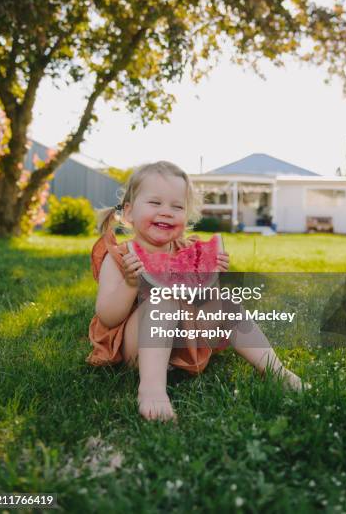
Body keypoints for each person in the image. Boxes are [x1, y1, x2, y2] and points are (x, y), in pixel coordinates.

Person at [86, 161, 308, 422]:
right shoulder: (120, 257)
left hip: (183, 342)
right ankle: (152, 390)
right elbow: (108, 316)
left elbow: (202, 300)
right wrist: (130, 283)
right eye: (155, 203)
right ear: (129, 213)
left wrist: (212, 277)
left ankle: (276, 370)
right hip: (135, 350)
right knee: (162, 301)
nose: (167, 212)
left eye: (177, 206)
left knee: (227, 302)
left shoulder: (189, 251)